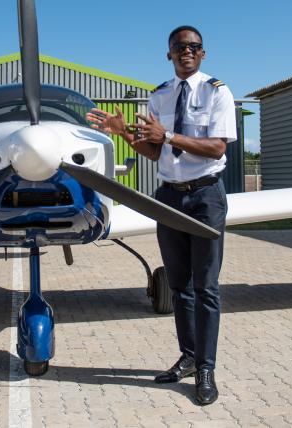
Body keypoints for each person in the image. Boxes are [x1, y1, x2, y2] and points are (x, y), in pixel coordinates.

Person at [86, 25, 235, 405]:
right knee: (179, 285)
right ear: (169, 54)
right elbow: (156, 154)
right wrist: (124, 134)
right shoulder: (160, 96)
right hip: (168, 197)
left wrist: (166, 135)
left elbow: (216, 148)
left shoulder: (217, 92)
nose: (187, 51)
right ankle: (187, 357)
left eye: (194, 47)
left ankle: (206, 368)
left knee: (206, 287)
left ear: (203, 54)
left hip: (205, 197)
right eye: (180, 47)